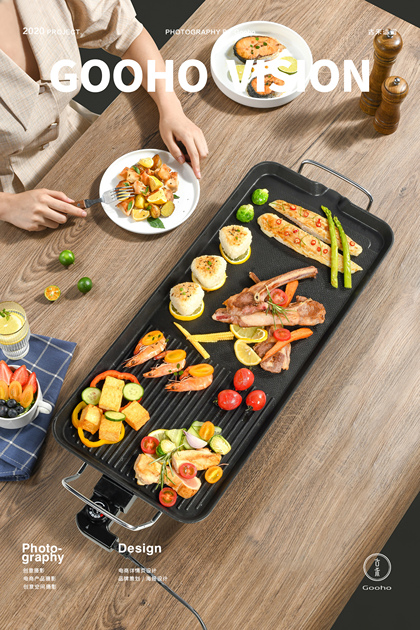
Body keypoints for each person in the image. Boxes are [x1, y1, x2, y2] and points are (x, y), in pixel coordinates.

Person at [0, 0, 208, 231]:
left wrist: (171, 108)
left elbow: (123, 29)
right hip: (15, 202)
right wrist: (7, 206)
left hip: (87, 139)